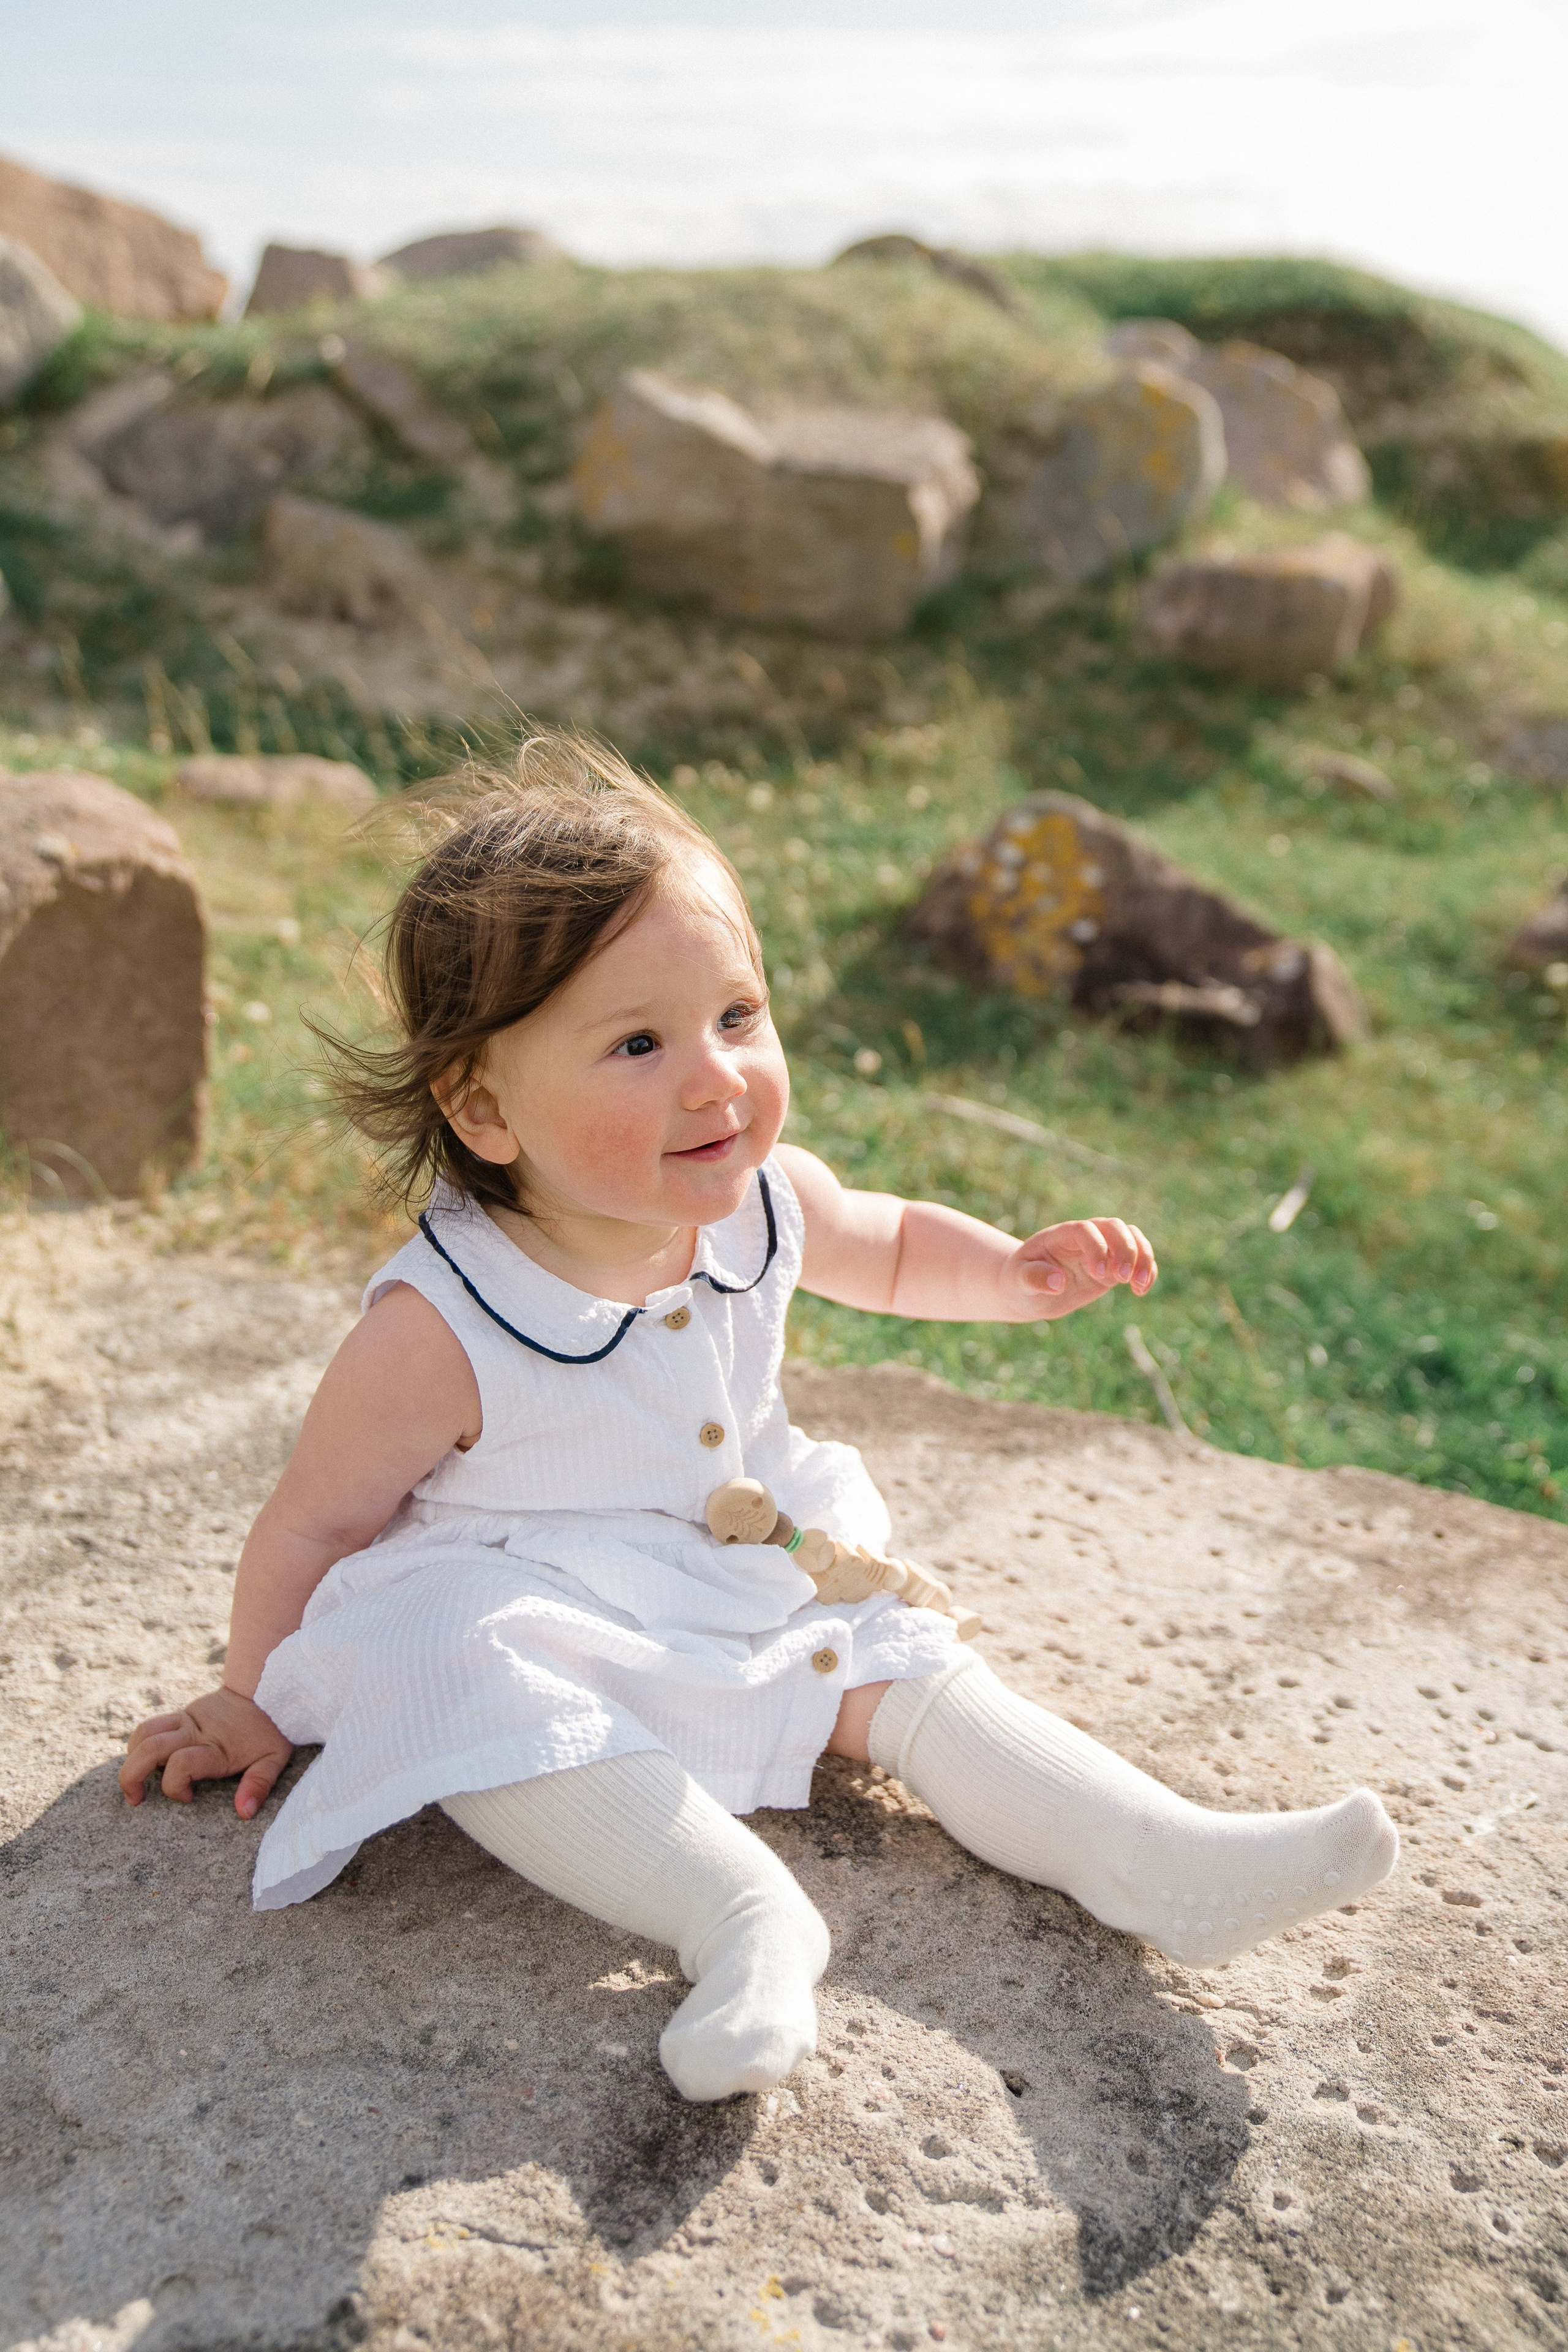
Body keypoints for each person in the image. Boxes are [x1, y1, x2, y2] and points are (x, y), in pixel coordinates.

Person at [120, 734, 1398, 2104]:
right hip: (529, 1600)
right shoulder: (440, 1324)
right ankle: (740, 1922)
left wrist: (1015, 1275)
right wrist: (254, 1696)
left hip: (741, 1562)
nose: (713, 1078)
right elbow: (318, 1516)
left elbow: (892, 1244)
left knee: (892, 1657)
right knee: (459, 1682)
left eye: (735, 1016)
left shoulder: (765, 1198)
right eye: (636, 1043)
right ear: (483, 1105)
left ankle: (1156, 1855)